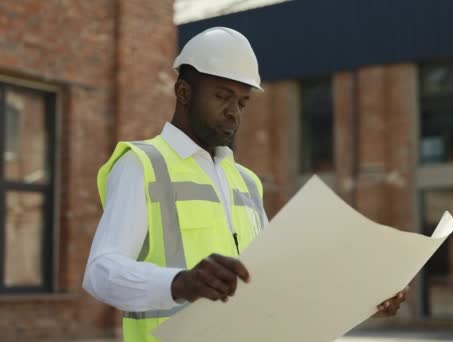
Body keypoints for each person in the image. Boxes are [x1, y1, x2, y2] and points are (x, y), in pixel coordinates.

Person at [83, 26, 409, 341]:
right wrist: (180, 283)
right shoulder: (142, 165)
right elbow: (101, 272)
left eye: (242, 102)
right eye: (222, 97)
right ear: (184, 92)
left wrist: (364, 301)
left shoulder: (247, 183)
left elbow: (272, 287)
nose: (233, 113)